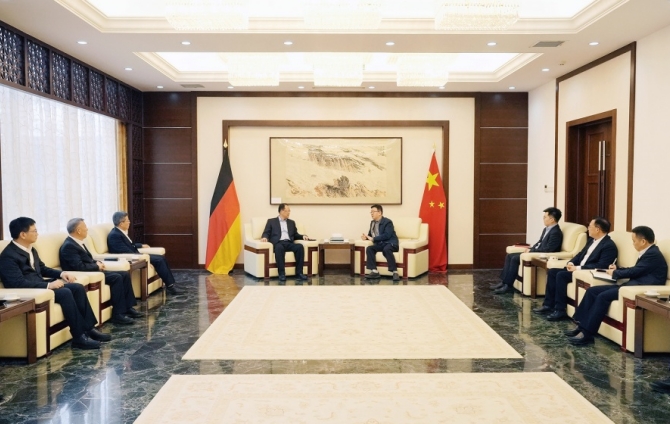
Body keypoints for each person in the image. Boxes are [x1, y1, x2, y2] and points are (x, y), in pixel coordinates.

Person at [0, 217, 107, 350]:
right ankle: (79, 337)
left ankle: (89, 329)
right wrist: (48, 285)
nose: (37, 233)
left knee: (77, 288)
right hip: (30, 291)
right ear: (23, 234)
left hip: (40, 285)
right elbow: (17, 283)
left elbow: (42, 268)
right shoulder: (8, 256)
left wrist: (61, 274)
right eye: (34, 231)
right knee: (65, 292)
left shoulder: (30, 249)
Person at [566, 226, 668, 346]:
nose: (633, 244)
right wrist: (617, 269)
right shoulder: (648, 252)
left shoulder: (653, 254)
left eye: (634, 241)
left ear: (643, 241)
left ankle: (587, 334)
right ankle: (581, 326)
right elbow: (637, 269)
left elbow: (635, 271)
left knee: (602, 296)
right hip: (630, 286)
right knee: (592, 291)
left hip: (637, 289)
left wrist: (615, 273)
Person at [59, 218, 141, 325]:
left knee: (124, 274)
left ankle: (128, 307)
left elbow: (87, 260)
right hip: (84, 274)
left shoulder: (77, 242)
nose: (87, 229)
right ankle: (118, 314)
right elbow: (79, 266)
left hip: (92, 271)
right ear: (78, 230)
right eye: (85, 227)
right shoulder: (69, 246)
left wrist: (97, 263)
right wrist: (96, 266)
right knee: (117, 277)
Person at [533, 217, 618, 321]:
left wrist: (577, 268)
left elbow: (601, 265)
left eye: (590, 226)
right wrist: (571, 262)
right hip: (577, 269)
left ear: (597, 229)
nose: (588, 228)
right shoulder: (591, 240)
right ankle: (548, 305)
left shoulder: (609, 245)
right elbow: (580, 254)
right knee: (552, 272)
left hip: (586, 272)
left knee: (561, 275)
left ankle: (560, 310)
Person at [106, 211, 181, 295]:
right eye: (127, 220)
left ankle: (171, 284)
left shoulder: (119, 232)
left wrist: (141, 245)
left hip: (136, 254)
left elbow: (130, 245)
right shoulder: (114, 235)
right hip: (131, 258)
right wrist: (145, 260)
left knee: (161, 257)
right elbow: (125, 252)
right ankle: (170, 287)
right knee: (159, 260)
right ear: (121, 223)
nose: (129, 222)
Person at [492, 207, 564, 294]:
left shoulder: (556, 232)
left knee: (515, 258)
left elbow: (549, 249)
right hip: (535, 252)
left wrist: (532, 252)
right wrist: (531, 249)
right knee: (510, 256)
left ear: (552, 219)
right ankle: (503, 282)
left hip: (542, 255)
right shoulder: (547, 229)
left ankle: (508, 286)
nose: (543, 219)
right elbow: (539, 243)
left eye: (545, 217)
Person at [260, 204, 310, 282]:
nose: (289, 213)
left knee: (299, 247)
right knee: (279, 248)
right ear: (281, 211)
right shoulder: (271, 221)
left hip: (289, 243)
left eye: (289, 211)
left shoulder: (291, 222)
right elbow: (266, 232)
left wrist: (302, 236)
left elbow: (295, 234)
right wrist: (265, 237)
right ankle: (282, 274)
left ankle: (299, 273)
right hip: (278, 243)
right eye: (287, 211)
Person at [361, 204, 400, 282]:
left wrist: (374, 239)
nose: (371, 213)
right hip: (380, 244)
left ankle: (395, 272)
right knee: (370, 249)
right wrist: (366, 237)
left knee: (386, 249)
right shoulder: (372, 223)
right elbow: (371, 235)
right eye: (371, 212)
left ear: (379, 212)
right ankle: (374, 271)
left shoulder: (387, 222)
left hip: (390, 243)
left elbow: (387, 235)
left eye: (373, 211)